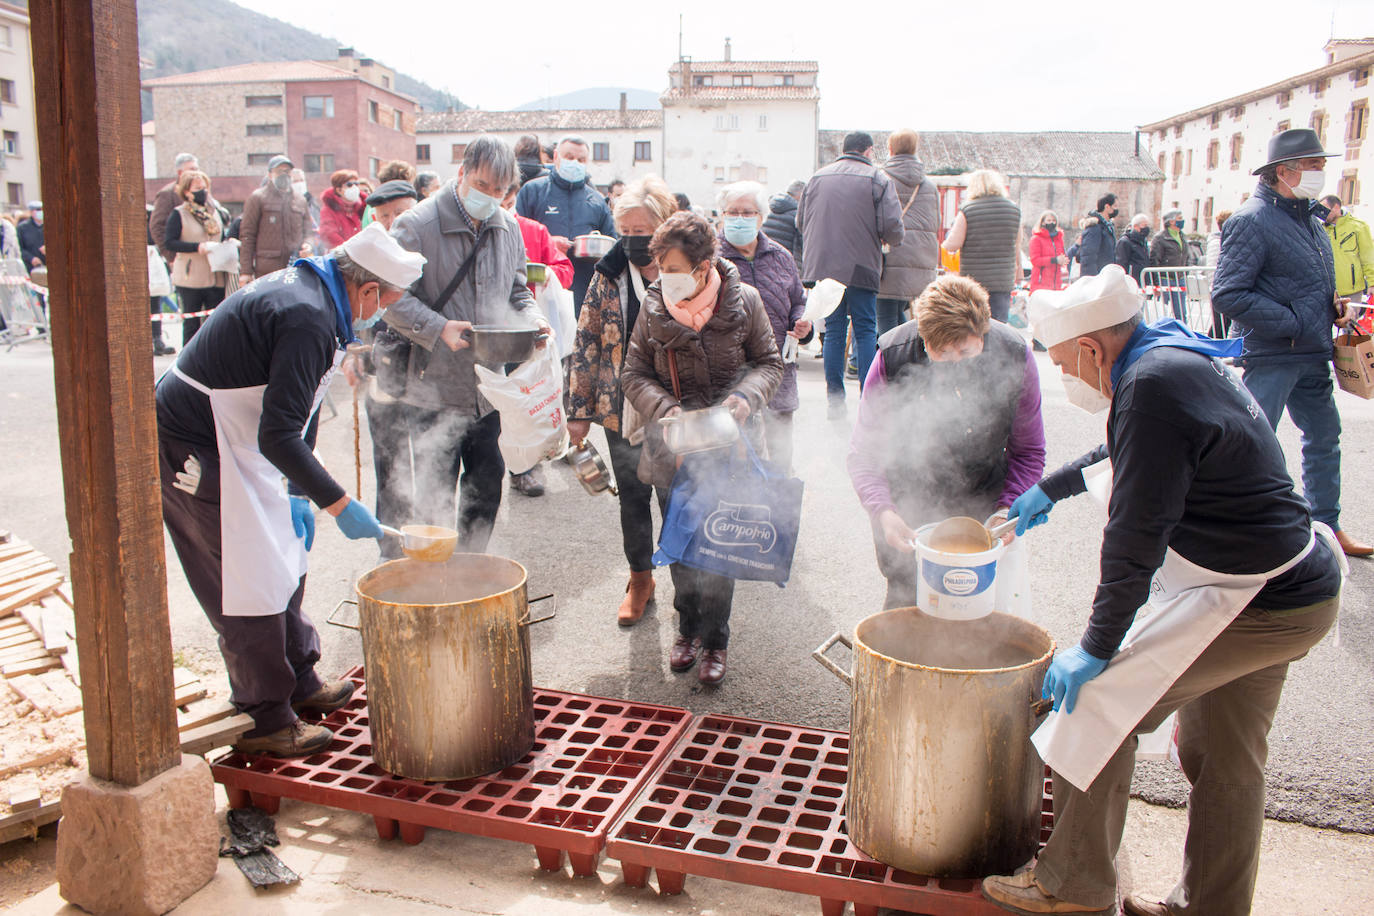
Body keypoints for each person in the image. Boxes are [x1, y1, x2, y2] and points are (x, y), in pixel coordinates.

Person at [981, 264, 1343, 916]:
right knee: (1225, 756)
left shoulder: (1149, 387)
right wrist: (1051, 489)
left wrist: (1095, 651)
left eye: (1064, 363)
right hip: (1297, 581)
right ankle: (1210, 906)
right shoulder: (1167, 358)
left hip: (1253, 600)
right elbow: (1123, 451)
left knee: (1093, 705)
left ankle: (1073, 886)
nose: (1065, 375)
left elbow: (1132, 546)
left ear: (1092, 348)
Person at [156, 222, 424, 757]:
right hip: (199, 443)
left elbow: (295, 410)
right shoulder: (307, 317)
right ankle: (266, 717)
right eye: (385, 303)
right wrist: (341, 505)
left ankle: (299, 680)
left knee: (284, 557)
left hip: (244, 438)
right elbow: (279, 434)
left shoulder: (319, 295)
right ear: (367, 289)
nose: (380, 315)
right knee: (244, 579)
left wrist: (300, 496)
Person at [620, 211, 783, 684]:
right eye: (660, 268)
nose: (664, 278)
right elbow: (633, 374)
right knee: (682, 548)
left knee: (719, 550)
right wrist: (666, 409)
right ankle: (686, 630)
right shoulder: (654, 306)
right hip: (674, 449)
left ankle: (715, 641)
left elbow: (769, 363)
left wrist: (743, 398)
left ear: (705, 265)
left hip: (728, 450)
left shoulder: (743, 301)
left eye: (673, 269)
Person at [382, 136, 547, 555]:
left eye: (500, 190)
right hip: (431, 385)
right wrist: (438, 327)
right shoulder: (416, 225)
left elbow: (517, 290)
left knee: (487, 483)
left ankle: (470, 570)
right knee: (434, 492)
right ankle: (434, 576)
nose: (490, 197)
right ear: (461, 173)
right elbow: (388, 297)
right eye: (482, 185)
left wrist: (532, 319)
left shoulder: (507, 226)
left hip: (490, 388)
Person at [1212, 128, 1371, 557]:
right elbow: (1228, 294)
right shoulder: (1251, 220)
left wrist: (1334, 308)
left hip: (1311, 350)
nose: (1323, 172)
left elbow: (1306, 284)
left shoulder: (1312, 222)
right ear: (1285, 171)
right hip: (1273, 353)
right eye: (1315, 165)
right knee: (1254, 443)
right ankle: (1246, 531)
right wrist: (1297, 321)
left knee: (1324, 437)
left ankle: (1327, 526)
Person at [847, 274, 1044, 609]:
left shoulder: (1015, 356)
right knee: (908, 602)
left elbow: (1029, 452)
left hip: (985, 498)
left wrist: (1006, 508)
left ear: (982, 333)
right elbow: (865, 453)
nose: (954, 361)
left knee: (978, 607)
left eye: (964, 351)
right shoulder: (892, 356)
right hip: (908, 500)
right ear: (923, 337)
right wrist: (883, 511)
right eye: (941, 352)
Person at [566, 175, 677, 626]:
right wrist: (578, 413)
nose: (633, 241)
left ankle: (687, 585)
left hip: (675, 405)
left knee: (678, 497)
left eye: (642, 232)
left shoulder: (687, 269)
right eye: (625, 232)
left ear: (664, 227)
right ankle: (641, 579)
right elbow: (587, 339)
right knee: (632, 496)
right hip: (621, 404)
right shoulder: (608, 273)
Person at [797, 130, 904, 418]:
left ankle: (834, 400)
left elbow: (800, 221)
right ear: (868, 151)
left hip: (824, 265)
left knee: (833, 330)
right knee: (866, 328)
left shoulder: (817, 177)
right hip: (862, 264)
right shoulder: (878, 179)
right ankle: (867, 399)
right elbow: (893, 229)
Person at [716, 181, 812, 474]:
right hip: (733, 372)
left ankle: (779, 511)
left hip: (779, 367)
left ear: (761, 217)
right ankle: (738, 515)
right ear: (722, 215)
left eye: (748, 212)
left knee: (781, 450)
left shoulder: (780, 256)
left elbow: (798, 299)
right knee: (737, 451)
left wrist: (803, 324)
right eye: (733, 212)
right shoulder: (711, 259)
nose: (740, 218)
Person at [501, 173, 574, 497]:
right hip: (485, 326)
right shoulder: (472, 229)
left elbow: (565, 270)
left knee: (528, 398)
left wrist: (545, 272)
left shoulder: (534, 230)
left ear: (514, 195)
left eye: (504, 196)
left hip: (529, 326)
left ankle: (526, 467)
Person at [516, 135, 616, 313]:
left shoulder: (597, 201)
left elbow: (613, 248)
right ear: (556, 157)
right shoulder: (532, 192)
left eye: (581, 159)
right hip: (540, 291)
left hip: (584, 293)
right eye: (569, 157)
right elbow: (515, 239)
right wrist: (547, 243)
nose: (575, 163)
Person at [877, 129, 939, 337]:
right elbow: (935, 224)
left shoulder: (881, 179)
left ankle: (892, 363)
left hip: (888, 256)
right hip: (920, 259)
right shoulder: (929, 185)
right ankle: (907, 359)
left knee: (885, 313)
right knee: (898, 310)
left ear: (890, 149)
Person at [162, 170, 232, 346]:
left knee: (214, 321)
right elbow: (170, 242)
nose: (203, 191)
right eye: (198, 188)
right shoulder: (179, 214)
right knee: (192, 321)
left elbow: (221, 234)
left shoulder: (215, 212)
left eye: (205, 187)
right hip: (191, 276)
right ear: (187, 192)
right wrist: (196, 247)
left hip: (216, 274)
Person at [941, 169, 1020, 323]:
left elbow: (952, 245)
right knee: (999, 325)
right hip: (1003, 280)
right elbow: (1016, 246)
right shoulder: (1014, 210)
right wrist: (1019, 275)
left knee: (974, 325)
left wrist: (945, 241)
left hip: (974, 282)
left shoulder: (968, 209)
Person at [239, 155, 311, 285]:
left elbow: (308, 231)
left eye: (287, 171)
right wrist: (246, 271)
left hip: (295, 267)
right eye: (279, 171)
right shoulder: (258, 198)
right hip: (267, 269)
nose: (284, 175)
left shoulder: (300, 200)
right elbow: (247, 236)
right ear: (269, 174)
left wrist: (308, 245)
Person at [1322, 195, 1374, 324]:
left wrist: (1372, 282)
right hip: (1328, 291)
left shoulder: (1358, 227)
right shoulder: (1320, 229)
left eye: (1325, 209)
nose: (1322, 213)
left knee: (1349, 331)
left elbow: (1368, 257)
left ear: (1336, 207)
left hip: (1352, 291)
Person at [150, 152, 199, 264]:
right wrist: (171, 257)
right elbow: (157, 227)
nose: (196, 173)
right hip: (180, 258)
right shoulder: (167, 194)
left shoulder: (202, 193)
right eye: (192, 169)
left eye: (197, 169)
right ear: (180, 172)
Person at [1150, 208, 1193, 320]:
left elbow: (1187, 256)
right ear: (1171, 221)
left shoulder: (1182, 236)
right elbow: (1154, 260)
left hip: (1179, 278)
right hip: (1165, 278)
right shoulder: (1160, 238)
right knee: (1162, 311)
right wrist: (1156, 283)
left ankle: (1183, 333)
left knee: (1181, 312)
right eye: (1179, 218)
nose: (1182, 220)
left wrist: (1185, 271)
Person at [318, 169, 368, 250]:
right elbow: (328, 234)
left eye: (356, 184)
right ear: (339, 190)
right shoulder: (328, 210)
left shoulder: (364, 207)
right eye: (349, 185)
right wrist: (347, 250)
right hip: (340, 256)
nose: (354, 187)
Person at [762, 179, 805, 271]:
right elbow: (802, 245)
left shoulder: (767, 209)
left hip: (764, 262)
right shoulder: (797, 215)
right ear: (801, 195)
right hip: (786, 265)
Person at [1075, 193, 1119, 277]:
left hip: (1106, 276)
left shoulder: (1108, 227)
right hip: (1097, 279)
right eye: (1115, 206)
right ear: (1107, 207)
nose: (1117, 209)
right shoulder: (1094, 227)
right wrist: (1092, 281)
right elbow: (1088, 257)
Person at [1205, 210, 1233, 338]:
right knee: (1220, 324)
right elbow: (1213, 266)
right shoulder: (1217, 242)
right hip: (1219, 287)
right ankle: (1211, 348)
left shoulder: (1226, 240)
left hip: (1223, 286)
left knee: (1224, 323)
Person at [1028, 210, 1068, 293]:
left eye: (1054, 221)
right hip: (1041, 281)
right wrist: (1054, 260)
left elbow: (1063, 255)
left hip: (1056, 282)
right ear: (1042, 222)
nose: (1052, 223)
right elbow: (1035, 260)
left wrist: (1063, 260)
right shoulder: (1036, 239)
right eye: (1049, 220)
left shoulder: (1058, 239)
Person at [1114, 213, 1150, 282]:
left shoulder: (1143, 241)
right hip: (1132, 280)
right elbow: (1121, 263)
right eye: (1144, 225)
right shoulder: (1125, 242)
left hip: (1144, 280)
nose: (1147, 228)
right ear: (1136, 226)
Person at [16, 201, 43, 272]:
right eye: (38, 210)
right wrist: (31, 258)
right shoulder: (22, 228)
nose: (41, 212)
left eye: (42, 209)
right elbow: (19, 248)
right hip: (30, 267)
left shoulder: (51, 226)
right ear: (31, 212)